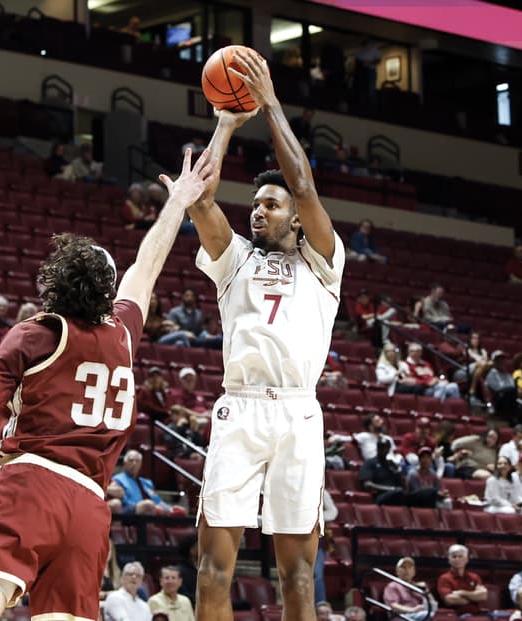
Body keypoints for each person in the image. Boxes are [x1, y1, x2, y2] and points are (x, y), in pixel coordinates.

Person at [0, 147, 218, 621]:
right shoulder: (124, 334)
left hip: (28, 488)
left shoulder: (36, 334)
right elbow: (147, 264)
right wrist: (177, 203)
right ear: (106, 292)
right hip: (90, 510)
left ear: (54, 282)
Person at [188, 50, 345, 620]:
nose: (259, 211)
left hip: (298, 415)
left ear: (296, 217)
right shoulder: (235, 263)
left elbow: (303, 184)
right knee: (210, 570)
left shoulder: (324, 262)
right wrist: (226, 123)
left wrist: (272, 102)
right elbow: (200, 200)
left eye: (270, 205)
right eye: (254, 204)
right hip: (240, 408)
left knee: (299, 577)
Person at [112, 449, 173, 515]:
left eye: (137, 461)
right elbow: (123, 501)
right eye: (131, 460)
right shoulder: (118, 479)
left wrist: (171, 508)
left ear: (141, 464)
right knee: (147, 505)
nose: (134, 463)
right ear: (125, 463)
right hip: (131, 509)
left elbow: (157, 500)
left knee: (179, 511)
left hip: (151, 508)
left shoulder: (147, 482)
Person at [436, 544, 488, 615]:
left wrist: (461, 593)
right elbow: (450, 600)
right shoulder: (444, 578)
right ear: (449, 560)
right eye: (454, 557)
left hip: (477, 614)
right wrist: (474, 598)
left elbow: (483, 595)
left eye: (460, 556)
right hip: (457, 615)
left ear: (466, 559)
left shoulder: (474, 577)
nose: (457, 559)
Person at [383, 556, 437, 621]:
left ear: (414, 571)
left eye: (409, 567)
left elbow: (433, 606)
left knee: (438, 615)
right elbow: (393, 605)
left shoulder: (418, 586)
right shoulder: (392, 586)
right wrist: (412, 610)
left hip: (419, 614)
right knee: (428, 616)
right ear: (397, 571)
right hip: (401, 616)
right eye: (403, 567)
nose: (407, 570)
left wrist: (426, 591)